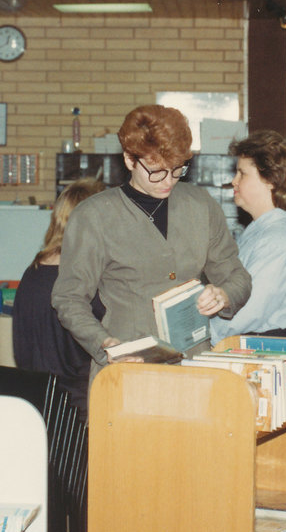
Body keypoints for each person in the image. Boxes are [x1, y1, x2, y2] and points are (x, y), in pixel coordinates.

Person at [51, 104, 252, 379]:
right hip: (128, 366)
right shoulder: (94, 216)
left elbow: (238, 278)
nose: (167, 181)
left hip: (194, 366)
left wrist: (224, 295)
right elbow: (69, 298)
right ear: (129, 160)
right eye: (156, 171)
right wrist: (104, 343)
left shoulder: (201, 206)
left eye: (176, 170)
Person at [210, 130, 286, 344]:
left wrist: (195, 338)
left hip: (272, 347)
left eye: (242, 174)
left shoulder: (278, 241)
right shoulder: (262, 230)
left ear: (271, 180)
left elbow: (247, 313)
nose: (234, 181)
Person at [12, 178, 106, 420]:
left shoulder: (32, 273)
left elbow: (22, 354)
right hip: (81, 414)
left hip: (37, 409)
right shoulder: (85, 283)